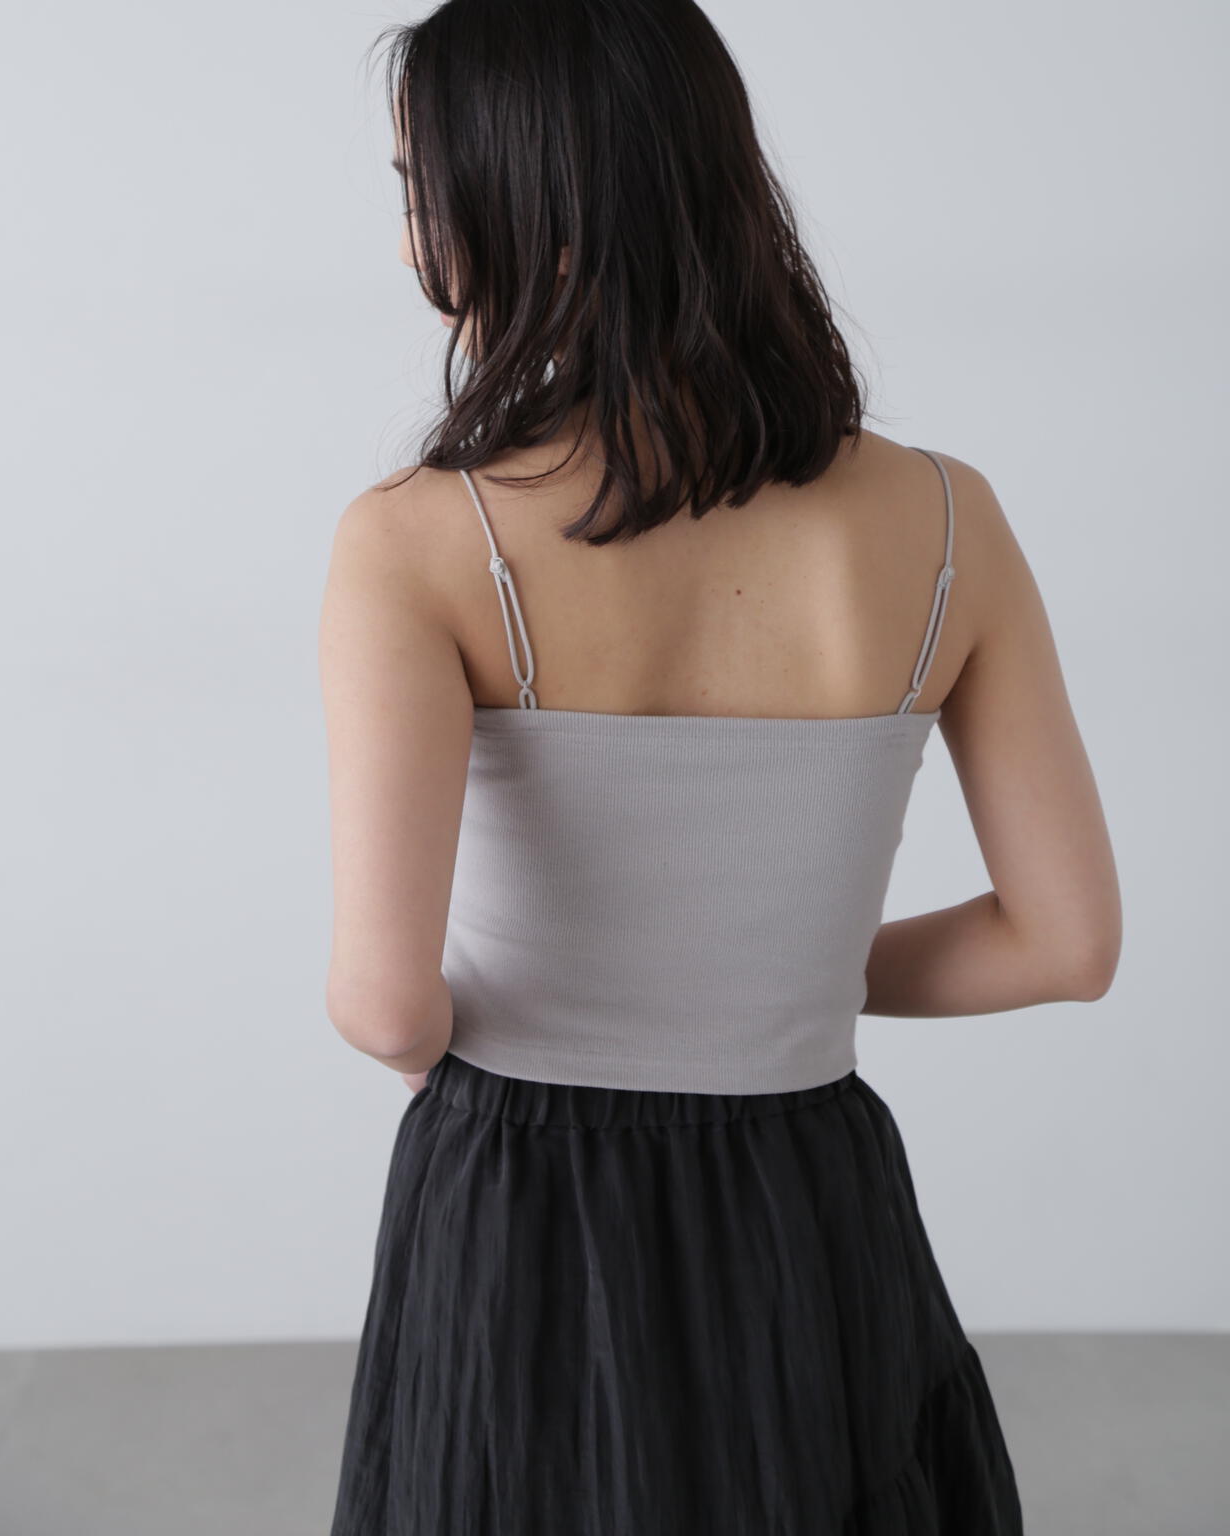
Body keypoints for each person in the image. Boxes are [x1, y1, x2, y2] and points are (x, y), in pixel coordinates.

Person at [318, 2, 1120, 1530]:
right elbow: (1065, 941)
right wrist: (767, 975)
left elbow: (386, 1003)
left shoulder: (419, 541)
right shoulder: (949, 519)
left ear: (518, 202)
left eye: (422, 189)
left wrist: (595, 1006)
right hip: (804, 1186)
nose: (414, 233)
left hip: (527, 1207)